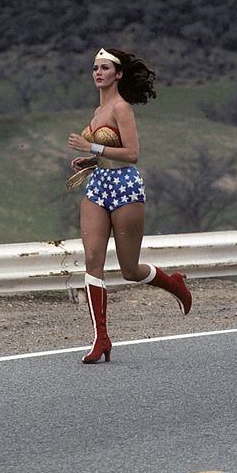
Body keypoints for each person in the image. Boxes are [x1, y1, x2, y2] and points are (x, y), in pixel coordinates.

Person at [67, 47, 192, 364]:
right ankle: (101, 339)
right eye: (95, 67)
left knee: (130, 269)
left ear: (118, 74)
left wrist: (91, 145)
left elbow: (132, 154)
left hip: (125, 187)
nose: (97, 72)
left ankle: (174, 284)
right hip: (98, 186)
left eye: (105, 67)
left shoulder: (122, 108)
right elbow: (109, 151)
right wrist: (90, 158)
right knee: (92, 260)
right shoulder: (97, 112)